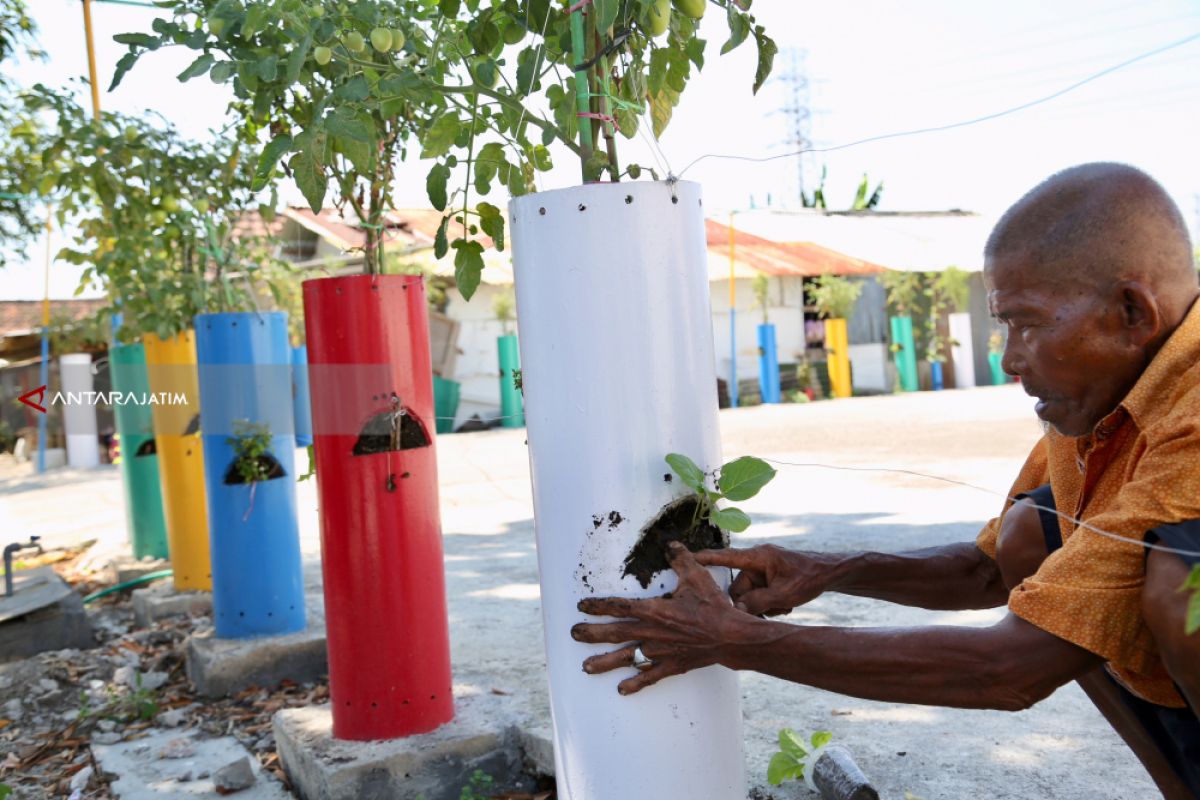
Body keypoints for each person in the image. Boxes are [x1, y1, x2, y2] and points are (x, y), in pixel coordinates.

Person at [571, 163, 1200, 799]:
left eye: (1029, 324)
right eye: (1004, 324)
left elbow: (1012, 669)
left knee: (1178, 585)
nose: (1009, 358)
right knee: (1031, 536)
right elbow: (990, 571)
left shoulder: (1192, 419)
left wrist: (738, 640)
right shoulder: (1097, 395)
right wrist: (832, 568)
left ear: (1131, 312)